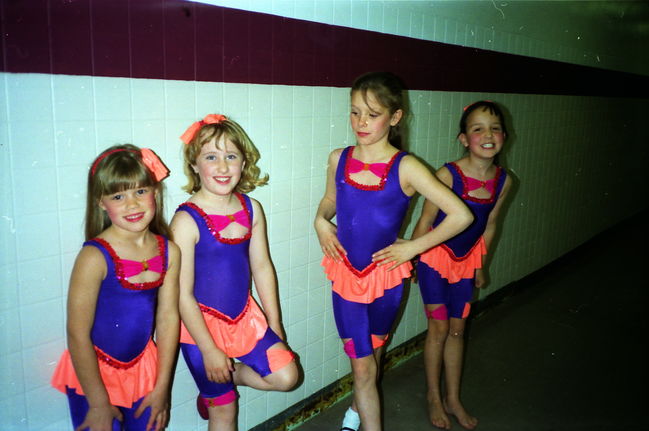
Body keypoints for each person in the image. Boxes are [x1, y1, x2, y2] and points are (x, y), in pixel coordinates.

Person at [314, 72, 474, 431]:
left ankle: (356, 410)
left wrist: (414, 248)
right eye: (355, 113)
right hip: (347, 278)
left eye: (372, 114)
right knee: (363, 365)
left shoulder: (407, 166)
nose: (361, 122)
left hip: (387, 281)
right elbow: (329, 201)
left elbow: (461, 214)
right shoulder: (339, 158)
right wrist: (321, 221)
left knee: (374, 355)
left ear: (395, 117)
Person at [171, 114, 298, 430]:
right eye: (211, 157)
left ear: (243, 162)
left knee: (287, 376)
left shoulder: (251, 208)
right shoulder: (186, 221)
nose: (223, 166)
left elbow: (262, 266)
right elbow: (181, 294)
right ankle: (216, 389)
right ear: (195, 165)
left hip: (245, 320)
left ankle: (232, 376)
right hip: (199, 329)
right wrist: (210, 350)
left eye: (231, 156)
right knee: (224, 414)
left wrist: (275, 322)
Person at [51, 145, 180, 431]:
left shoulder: (170, 251)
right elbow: (77, 332)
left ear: (155, 192)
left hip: (145, 371)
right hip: (92, 376)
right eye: (118, 196)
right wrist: (98, 402)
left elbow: (169, 317)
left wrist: (162, 387)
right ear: (101, 202)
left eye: (140, 191)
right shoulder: (94, 256)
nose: (132, 204)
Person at [412, 100, 513, 430]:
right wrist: (412, 258)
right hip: (434, 259)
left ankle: (453, 398)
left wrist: (481, 264)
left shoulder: (503, 180)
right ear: (463, 138)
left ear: (504, 136)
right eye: (477, 129)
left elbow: (491, 224)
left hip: (466, 264)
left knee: (458, 329)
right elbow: (426, 220)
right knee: (439, 328)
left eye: (495, 128)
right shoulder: (448, 175)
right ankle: (433, 395)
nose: (488, 135)